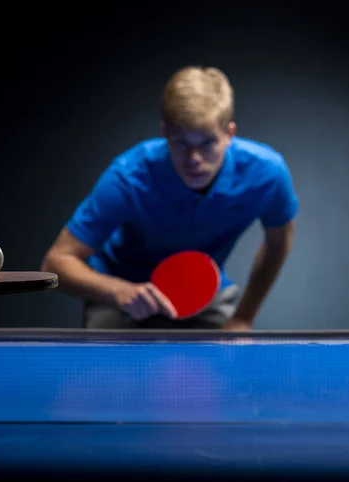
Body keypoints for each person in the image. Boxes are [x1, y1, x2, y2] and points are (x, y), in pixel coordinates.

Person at [41, 66, 299, 331]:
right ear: (164, 133)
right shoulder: (128, 177)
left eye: (207, 143)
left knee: (228, 366)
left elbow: (278, 243)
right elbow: (56, 261)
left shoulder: (267, 173)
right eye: (181, 143)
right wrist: (117, 291)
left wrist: (244, 318)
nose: (194, 159)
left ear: (229, 135)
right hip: (121, 295)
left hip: (202, 294)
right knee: (104, 371)